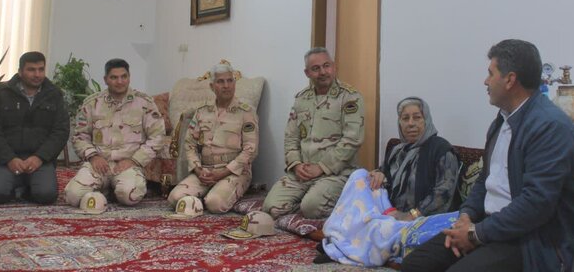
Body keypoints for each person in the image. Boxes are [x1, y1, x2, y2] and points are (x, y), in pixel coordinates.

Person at [402, 39, 574, 272]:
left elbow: (536, 205)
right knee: (415, 265)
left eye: (491, 74)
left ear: (510, 80)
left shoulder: (549, 127)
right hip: (489, 226)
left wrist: (476, 234)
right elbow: (485, 181)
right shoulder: (501, 121)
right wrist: (466, 216)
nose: (485, 81)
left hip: (532, 238)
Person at [317, 97, 460, 266]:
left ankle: (343, 248)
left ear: (426, 120)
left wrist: (411, 215)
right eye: (405, 118)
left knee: (379, 228)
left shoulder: (441, 149)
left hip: (419, 219)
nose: (411, 123)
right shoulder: (397, 150)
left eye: (417, 117)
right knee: (360, 176)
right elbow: (383, 174)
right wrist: (378, 174)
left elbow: (443, 193)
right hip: (390, 213)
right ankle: (341, 242)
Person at [262, 47, 364, 219]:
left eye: (326, 66)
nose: (322, 72)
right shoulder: (301, 99)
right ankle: (307, 202)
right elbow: (291, 137)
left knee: (311, 208)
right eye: (316, 68)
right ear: (307, 73)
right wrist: (296, 164)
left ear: (334, 66)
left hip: (336, 173)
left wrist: (321, 167)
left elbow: (352, 140)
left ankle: (332, 204)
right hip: (303, 171)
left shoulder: (350, 97)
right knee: (271, 207)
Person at [65, 58, 166, 207]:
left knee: (130, 196)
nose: (120, 81)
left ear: (129, 77)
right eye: (114, 77)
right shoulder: (92, 103)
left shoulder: (144, 103)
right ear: (105, 79)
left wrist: (134, 160)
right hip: (99, 164)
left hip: (128, 164)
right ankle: (107, 189)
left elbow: (157, 137)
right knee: (73, 197)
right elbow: (80, 136)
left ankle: (114, 189)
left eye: (124, 76)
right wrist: (93, 156)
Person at [166, 63, 259, 213]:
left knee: (215, 204)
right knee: (175, 198)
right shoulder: (202, 112)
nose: (226, 86)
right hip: (205, 171)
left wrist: (222, 173)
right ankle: (207, 194)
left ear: (234, 83)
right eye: (220, 81)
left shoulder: (246, 113)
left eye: (230, 80)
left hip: (234, 172)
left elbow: (251, 150)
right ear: (212, 86)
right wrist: (198, 170)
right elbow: (189, 144)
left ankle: (212, 196)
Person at [0, 51, 69, 205]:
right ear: (20, 71)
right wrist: (9, 158)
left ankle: (26, 188)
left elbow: (60, 131)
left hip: (40, 160)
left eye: (41, 69)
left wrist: (40, 157)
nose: (37, 74)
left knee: (46, 195)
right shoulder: (2, 93)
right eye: (31, 70)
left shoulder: (54, 94)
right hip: (8, 160)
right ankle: (17, 186)